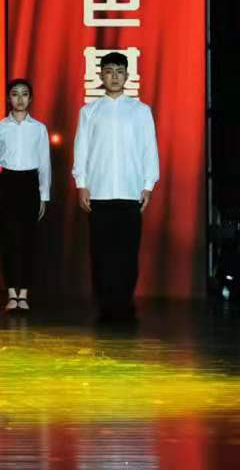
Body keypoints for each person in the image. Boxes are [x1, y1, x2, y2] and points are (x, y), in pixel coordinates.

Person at [73, 52, 160, 323]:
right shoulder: (89, 111)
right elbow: (81, 149)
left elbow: (149, 149)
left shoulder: (140, 111)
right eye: (109, 71)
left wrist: (147, 185)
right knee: (101, 253)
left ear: (127, 75)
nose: (114, 76)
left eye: (119, 71)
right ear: (101, 75)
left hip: (130, 190)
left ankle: (124, 302)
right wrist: (81, 184)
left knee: (127, 252)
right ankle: (105, 305)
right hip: (99, 192)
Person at [0, 78, 51, 313]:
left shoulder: (39, 128)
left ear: (30, 98)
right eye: (15, 94)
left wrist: (44, 194)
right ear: (8, 98)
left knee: (27, 241)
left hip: (30, 184)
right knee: (8, 240)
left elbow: (44, 163)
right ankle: (11, 294)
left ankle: (24, 294)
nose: (20, 99)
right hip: (7, 183)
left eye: (25, 94)